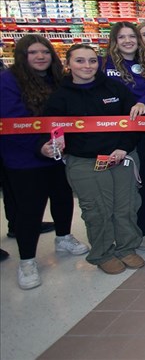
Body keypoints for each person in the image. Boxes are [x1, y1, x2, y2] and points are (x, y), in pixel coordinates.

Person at [40, 44, 145, 275]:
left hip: (121, 156)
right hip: (85, 162)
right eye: (80, 61)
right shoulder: (60, 96)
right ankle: (103, 253)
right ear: (68, 64)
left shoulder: (114, 87)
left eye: (92, 61)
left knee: (126, 206)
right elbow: (50, 130)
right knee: (97, 210)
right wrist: (48, 146)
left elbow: (134, 121)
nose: (87, 66)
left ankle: (127, 247)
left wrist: (123, 148)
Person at [0, 36, 88, 289]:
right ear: (21, 55)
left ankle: (63, 236)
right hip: (24, 157)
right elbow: (12, 120)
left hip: (59, 153)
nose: (40, 57)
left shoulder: (58, 79)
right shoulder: (8, 81)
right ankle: (27, 260)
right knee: (30, 209)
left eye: (45, 52)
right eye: (33, 52)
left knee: (62, 197)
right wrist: (39, 146)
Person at [104, 22, 145, 251]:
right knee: (128, 183)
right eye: (122, 37)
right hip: (119, 131)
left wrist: (142, 102)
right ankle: (135, 230)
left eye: (131, 36)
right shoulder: (105, 65)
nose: (128, 41)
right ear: (115, 40)